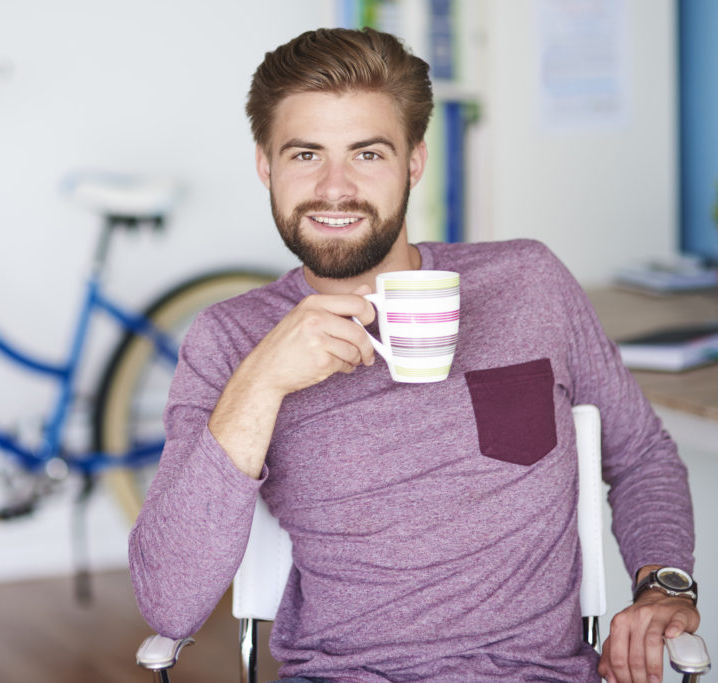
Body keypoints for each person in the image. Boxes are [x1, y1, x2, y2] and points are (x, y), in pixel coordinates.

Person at [129, 27, 699, 683]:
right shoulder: (230, 338)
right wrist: (260, 382)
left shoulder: (527, 283)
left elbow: (642, 453)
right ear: (266, 165)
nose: (334, 188)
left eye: (367, 154)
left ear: (414, 162)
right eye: (306, 154)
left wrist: (664, 581)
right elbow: (168, 600)